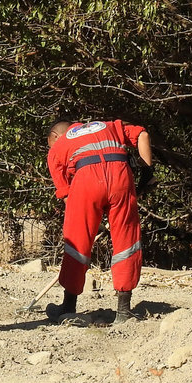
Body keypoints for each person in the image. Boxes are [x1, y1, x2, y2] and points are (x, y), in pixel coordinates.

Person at [46, 119, 153, 325]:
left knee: (76, 242)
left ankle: (68, 307)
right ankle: (123, 311)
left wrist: (88, 212)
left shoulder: (58, 146)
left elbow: (67, 196)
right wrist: (147, 173)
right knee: (127, 240)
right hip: (121, 176)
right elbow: (143, 135)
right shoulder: (110, 126)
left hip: (85, 181)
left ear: (55, 136)